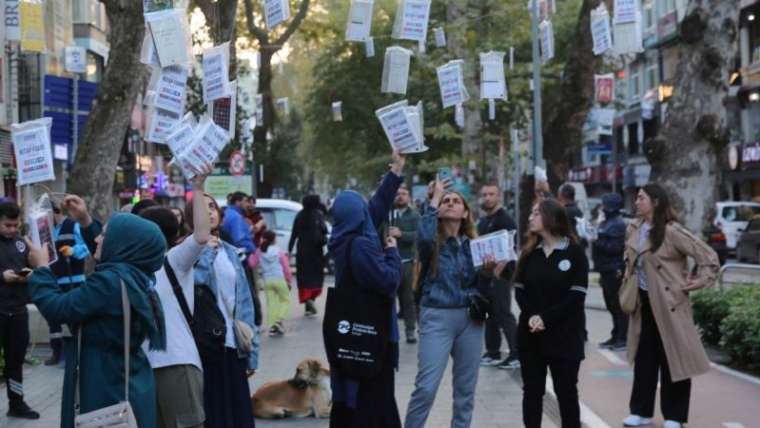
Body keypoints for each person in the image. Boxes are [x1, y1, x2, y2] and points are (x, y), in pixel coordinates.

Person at [28, 212, 168, 428]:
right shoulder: (136, 275)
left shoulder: (109, 281)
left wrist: (42, 269)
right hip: (127, 381)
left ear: (122, 244)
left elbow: (58, 309)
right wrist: (85, 218)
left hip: (106, 386)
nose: (96, 239)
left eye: (104, 235)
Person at [405, 180, 504, 428]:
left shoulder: (476, 245)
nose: (450, 203)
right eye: (446, 201)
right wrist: (434, 198)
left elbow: (482, 290)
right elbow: (424, 238)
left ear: (466, 212)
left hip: (470, 320)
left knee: (465, 392)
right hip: (437, 317)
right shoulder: (432, 243)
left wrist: (488, 273)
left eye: (455, 201)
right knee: (426, 388)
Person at [622, 184, 719, 428]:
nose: (637, 202)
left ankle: (674, 416)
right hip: (642, 304)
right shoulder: (634, 228)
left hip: (670, 304)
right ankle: (641, 412)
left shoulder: (671, 231)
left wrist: (700, 281)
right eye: (637, 198)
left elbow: (708, 257)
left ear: (655, 202)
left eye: (641, 198)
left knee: (673, 360)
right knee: (644, 359)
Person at [327, 151, 405, 428]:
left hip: (355, 331)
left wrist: (396, 170)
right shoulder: (361, 245)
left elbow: (378, 205)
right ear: (357, 213)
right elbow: (388, 280)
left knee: (355, 397)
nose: (366, 209)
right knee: (373, 400)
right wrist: (393, 254)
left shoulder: (347, 234)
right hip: (370, 333)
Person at [139, 165, 212, 428]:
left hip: (177, 365)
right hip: (141, 369)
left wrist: (199, 187)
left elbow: (202, 235)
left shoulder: (173, 260)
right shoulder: (129, 269)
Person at [514, 198, 588, 428]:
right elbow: (520, 291)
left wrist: (546, 318)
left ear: (551, 218)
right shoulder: (529, 254)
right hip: (531, 335)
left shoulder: (574, 253)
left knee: (566, 393)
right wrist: (533, 316)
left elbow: (576, 296)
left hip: (565, 336)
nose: (530, 217)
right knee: (532, 392)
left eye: (536, 213)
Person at [189, 192, 259, 428]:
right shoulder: (186, 253)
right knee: (216, 415)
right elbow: (196, 284)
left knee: (239, 416)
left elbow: (244, 302)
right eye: (202, 207)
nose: (209, 211)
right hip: (206, 346)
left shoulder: (229, 251)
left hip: (234, 345)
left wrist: (253, 350)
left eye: (212, 206)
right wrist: (206, 250)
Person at [0, 202, 40, 419]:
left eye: (16, 225)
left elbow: (31, 265)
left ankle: (16, 403)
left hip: (18, 310)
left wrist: (31, 273)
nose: (13, 229)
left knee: (15, 361)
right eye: (8, 225)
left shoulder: (21, 243)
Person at [477, 183, 520, 370]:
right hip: (486, 274)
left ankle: (517, 354)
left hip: (502, 274)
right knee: (490, 314)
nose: (487, 197)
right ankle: (492, 352)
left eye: (491, 194)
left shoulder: (506, 220)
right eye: (484, 194)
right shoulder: (484, 221)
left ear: (499, 196)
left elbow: (509, 249)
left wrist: (497, 272)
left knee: (503, 313)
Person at [45, 203, 91, 366]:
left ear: (54, 212)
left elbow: (87, 247)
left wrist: (73, 251)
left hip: (74, 280)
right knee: (53, 319)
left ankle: (80, 353)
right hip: (54, 280)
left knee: (75, 318)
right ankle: (57, 353)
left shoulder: (73, 226)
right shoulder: (45, 230)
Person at [592, 192, 628, 351]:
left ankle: (622, 337)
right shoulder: (607, 222)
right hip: (605, 269)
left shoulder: (617, 224)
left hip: (614, 269)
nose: (602, 208)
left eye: (604, 205)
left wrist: (596, 239)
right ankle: (616, 334)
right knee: (611, 304)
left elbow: (615, 248)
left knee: (617, 305)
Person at [386, 184, 420, 343]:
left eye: (404, 194)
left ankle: (410, 330)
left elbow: (419, 236)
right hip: (387, 261)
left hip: (406, 262)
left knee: (408, 299)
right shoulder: (388, 213)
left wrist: (401, 234)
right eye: (398, 193)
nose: (400, 196)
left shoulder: (414, 215)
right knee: (387, 298)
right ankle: (387, 331)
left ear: (409, 197)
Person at [288, 194, 328, 316]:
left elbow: (294, 234)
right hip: (315, 252)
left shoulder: (299, 216)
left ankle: (307, 305)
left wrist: (289, 250)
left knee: (304, 276)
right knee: (316, 276)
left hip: (302, 251)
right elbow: (324, 231)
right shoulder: (318, 215)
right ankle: (312, 299)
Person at [249, 230, 293, 336]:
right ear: (274, 240)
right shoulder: (278, 251)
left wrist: (251, 255)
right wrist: (289, 280)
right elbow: (286, 267)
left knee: (272, 304)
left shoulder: (260, 251)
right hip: (279, 279)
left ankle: (273, 328)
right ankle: (279, 320)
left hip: (267, 280)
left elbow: (252, 264)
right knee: (285, 300)